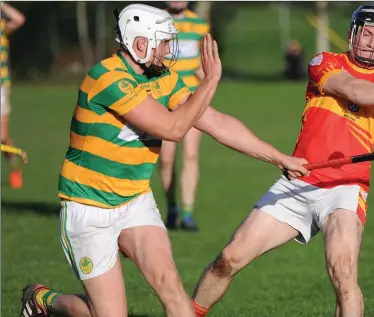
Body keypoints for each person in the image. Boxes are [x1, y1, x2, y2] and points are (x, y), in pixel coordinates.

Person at [19, 4, 307, 317]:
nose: (171, 50)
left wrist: (279, 158)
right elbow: (173, 128)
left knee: (174, 292)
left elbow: (215, 121)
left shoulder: (162, 78)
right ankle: (44, 300)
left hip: (134, 202)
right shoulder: (108, 79)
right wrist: (210, 81)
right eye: (165, 43)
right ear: (140, 44)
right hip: (88, 209)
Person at [190, 5, 374, 317]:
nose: (372, 42)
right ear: (353, 33)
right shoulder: (325, 62)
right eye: (367, 32)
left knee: (343, 272)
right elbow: (352, 88)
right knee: (229, 258)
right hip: (299, 179)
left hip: (347, 190)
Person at [161, 1, 210, 231]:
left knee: (190, 155)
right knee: (166, 159)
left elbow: (202, 65)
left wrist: (207, 90)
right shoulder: (155, 21)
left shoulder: (199, 25)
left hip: (191, 100)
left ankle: (188, 215)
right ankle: (171, 209)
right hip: (163, 100)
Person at [0, 2, 25, 189]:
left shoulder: (2, 28)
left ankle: (14, 167)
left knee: (2, 137)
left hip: (1, 85)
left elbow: (19, 19)